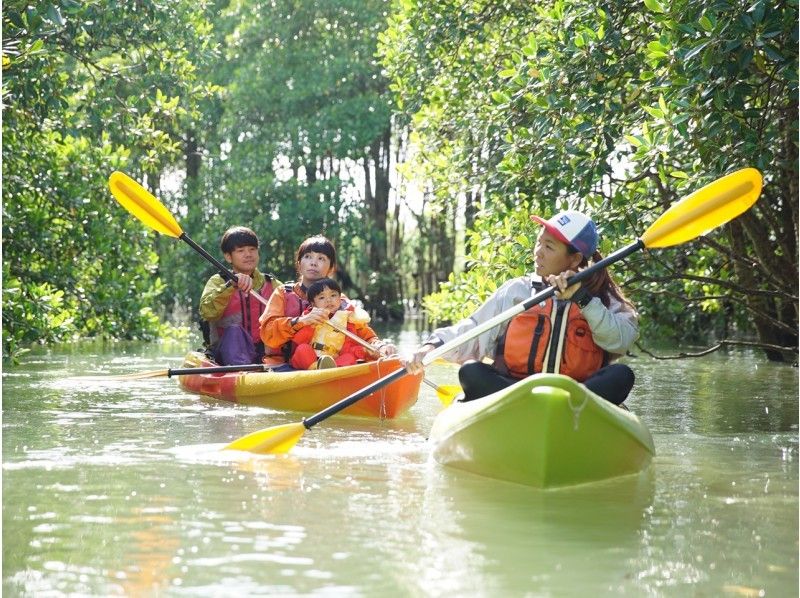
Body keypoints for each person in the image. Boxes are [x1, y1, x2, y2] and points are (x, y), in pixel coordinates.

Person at [406, 210, 638, 405]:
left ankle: (574, 413)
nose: (537, 252)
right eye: (539, 242)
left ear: (575, 259)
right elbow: (473, 330)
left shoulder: (601, 298)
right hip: (515, 392)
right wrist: (431, 347)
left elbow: (621, 340)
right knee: (471, 371)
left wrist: (582, 298)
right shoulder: (518, 291)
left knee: (622, 376)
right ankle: (518, 409)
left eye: (549, 246)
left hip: (576, 397)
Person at [260, 235, 396, 365]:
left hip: (330, 364)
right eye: (308, 257)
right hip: (283, 365)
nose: (313, 263)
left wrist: (379, 346)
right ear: (299, 264)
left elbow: (364, 333)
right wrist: (301, 321)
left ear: (331, 269)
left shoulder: (339, 300)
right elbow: (267, 334)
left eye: (321, 258)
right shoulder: (282, 293)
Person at [199, 226, 279, 365]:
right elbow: (207, 312)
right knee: (234, 330)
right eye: (241, 251)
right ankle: (242, 370)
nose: (248, 254)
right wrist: (231, 285)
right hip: (226, 354)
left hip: (264, 352)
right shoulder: (218, 282)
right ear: (228, 257)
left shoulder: (272, 284)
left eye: (252, 249)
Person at [289, 278, 383, 369]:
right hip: (312, 357)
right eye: (322, 297)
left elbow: (353, 346)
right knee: (302, 349)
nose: (328, 300)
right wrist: (309, 324)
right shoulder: (309, 317)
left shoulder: (349, 318)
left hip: (336, 359)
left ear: (340, 298)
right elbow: (298, 341)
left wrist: (368, 351)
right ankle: (315, 368)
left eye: (333, 295)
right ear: (313, 304)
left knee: (349, 357)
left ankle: (332, 369)